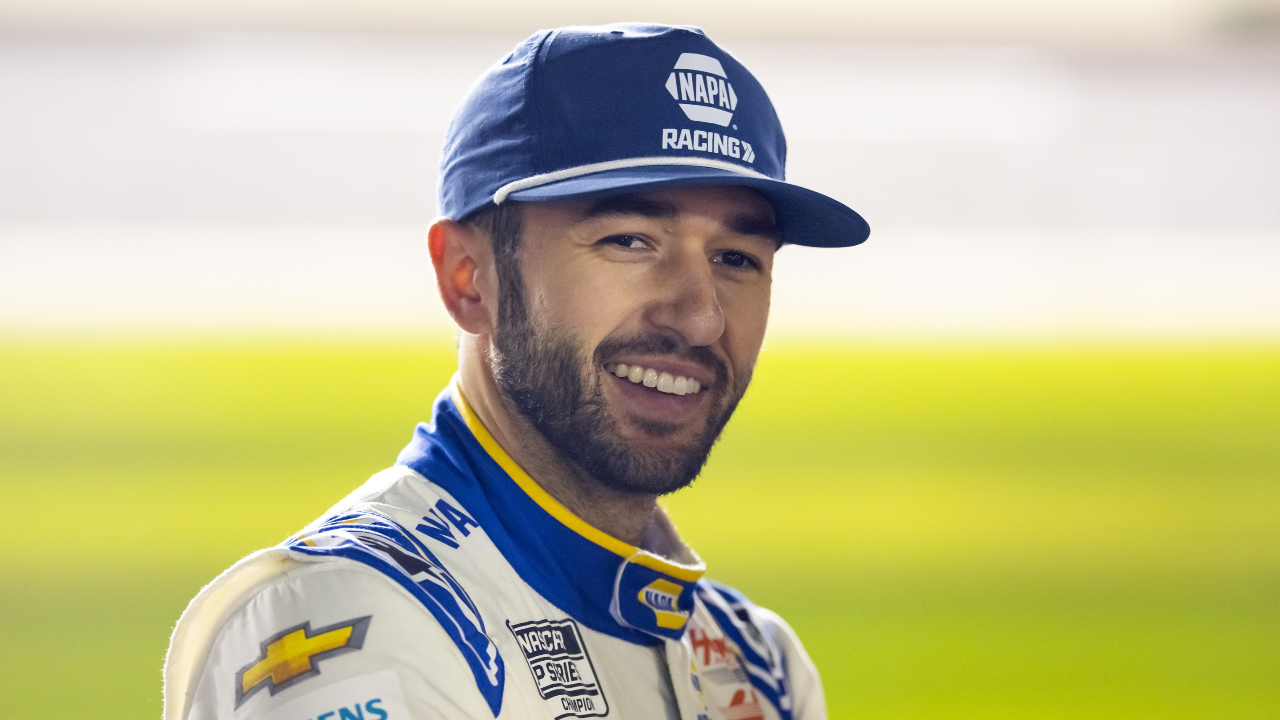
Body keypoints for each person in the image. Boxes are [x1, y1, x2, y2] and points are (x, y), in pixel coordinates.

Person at [162, 22, 868, 720]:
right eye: (629, 240)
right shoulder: (350, 627)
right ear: (469, 279)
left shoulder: (757, 665)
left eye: (737, 259)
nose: (701, 317)